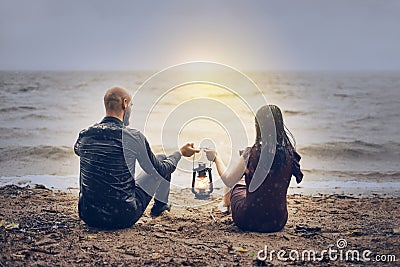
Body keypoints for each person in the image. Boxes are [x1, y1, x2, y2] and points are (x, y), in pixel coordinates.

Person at [74, 86, 199, 229]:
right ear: (125, 103)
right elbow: (160, 170)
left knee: (157, 159)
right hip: (122, 216)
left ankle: (161, 205)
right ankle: (160, 206)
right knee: (163, 159)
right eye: (131, 105)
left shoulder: (85, 135)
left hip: (88, 215)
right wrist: (180, 153)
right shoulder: (133, 137)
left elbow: (79, 152)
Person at [206, 105, 303, 232]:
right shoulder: (290, 154)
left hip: (248, 219)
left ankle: (225, 204)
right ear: (280, 125)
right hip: (277, 222)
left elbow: (228, 181)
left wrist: (216, 158)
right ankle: (226, 203)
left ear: (258, 126)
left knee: (236, 182)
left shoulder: (251, 153)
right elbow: (298, 178)